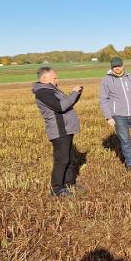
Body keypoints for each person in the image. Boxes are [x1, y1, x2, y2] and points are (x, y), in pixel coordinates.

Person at [32, 67, 83, 197]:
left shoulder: (52, 90)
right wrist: (73, 93)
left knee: (70, 158)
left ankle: (69, 183)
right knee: (62, 160)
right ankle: (57, 188)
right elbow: (61, 106)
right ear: (45, 78)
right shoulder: (43, 93)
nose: (57, 80)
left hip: (67, 129)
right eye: (55, 77)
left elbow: (68, 104)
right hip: (59, 131)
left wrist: (77, 94)